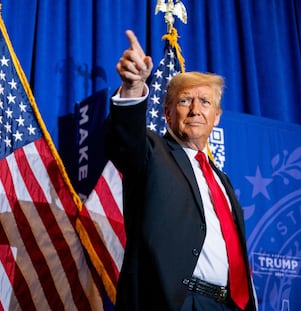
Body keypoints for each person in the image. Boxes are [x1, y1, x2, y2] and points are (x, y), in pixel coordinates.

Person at [105, 30, 257, 311]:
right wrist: (133, 87)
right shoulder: (152, 152)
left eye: (205, 102)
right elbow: (125, 139)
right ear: (167, 113)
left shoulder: (222, 181)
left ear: (217, 118)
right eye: (185, 101)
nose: (196, 110)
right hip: (177, 302)